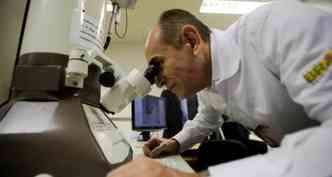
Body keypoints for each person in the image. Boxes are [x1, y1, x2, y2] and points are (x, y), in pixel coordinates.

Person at [108, 1, 332, 177]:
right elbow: (206, 119)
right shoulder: (208, 82)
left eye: (158, 64)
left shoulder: (275, 27)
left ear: (191, 40)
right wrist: (175, 142)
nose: (157, 81)